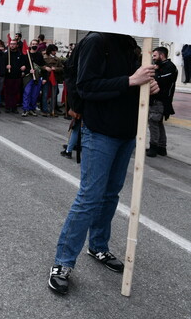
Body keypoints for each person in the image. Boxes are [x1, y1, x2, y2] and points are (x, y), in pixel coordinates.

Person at [48, 32, 159, 295]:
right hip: (100, 132)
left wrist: (150, 88)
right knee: (90, 196)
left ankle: (97, 246)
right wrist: (132, 80)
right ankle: (62, 263)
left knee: (110, 195)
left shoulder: (133, 44)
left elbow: (134, 89)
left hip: (127, 133)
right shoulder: (97, 41)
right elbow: (86, 86)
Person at [146, 46, 178, 157]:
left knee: (153, 123)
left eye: (155, 56)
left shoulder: (170, 67)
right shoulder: (161, 66)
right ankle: (161, 147)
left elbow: (159, 79)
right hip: (155, 99)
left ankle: (154, 147)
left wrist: (154, 71)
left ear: (162, 55)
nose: (153, 58)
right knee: (158, 123)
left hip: (160, 100)